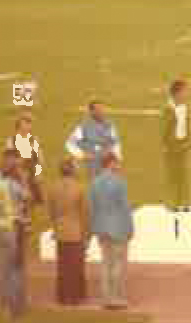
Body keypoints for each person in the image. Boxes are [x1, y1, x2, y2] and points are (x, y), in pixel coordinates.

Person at [0, 153, 31, 318]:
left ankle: (4, 304)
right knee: (16, 268)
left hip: (1, 229)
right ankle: (15, 306)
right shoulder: (14, 186)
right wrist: (24, 180)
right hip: (14, 229)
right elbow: (28, 198)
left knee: (4, 268)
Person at [90, 152, 134, 310]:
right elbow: (125, 208)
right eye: (117, 163)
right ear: (111, 163)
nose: (119, 166)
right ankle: (116, 298)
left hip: (101, 228)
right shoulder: (119, 182)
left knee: (105, 263)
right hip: (118, 228)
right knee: (118, 264)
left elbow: (92, 208)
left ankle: (106, 297)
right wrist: (130, 228)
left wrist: (95, 228)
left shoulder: (94, 183)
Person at [46, 159, 90, 305]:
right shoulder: (80, 188)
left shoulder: (53, 188)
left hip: (60, 230)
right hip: (75, 231)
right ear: (72, 171)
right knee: (75, 265)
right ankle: (75, 296)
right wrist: (86, 234)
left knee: (62, 265)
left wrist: (55, 226)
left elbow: (51, 211)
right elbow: (84, 213)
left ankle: (63, 296)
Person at [66, 101, 122, 181]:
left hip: (107, 163)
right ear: (91, 112)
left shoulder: (109, 125)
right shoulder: (84, 126)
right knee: (95, 184)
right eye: (98, 110)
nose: (101, 112)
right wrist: (82, 155)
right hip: (91, 164)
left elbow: (115, 142)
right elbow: (70, 143)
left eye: (102, 109)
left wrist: (117, 158)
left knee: (110, 184)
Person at [160, 78, 191, 210]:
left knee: (182, 175)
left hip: (182, 144)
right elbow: (164, 128)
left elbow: (185, 125)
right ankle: (171, 202)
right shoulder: (168, 108)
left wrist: (187, 140)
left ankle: (183, 202)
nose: (186, 93)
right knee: (172, 175)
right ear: (176, 92)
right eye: (184, 91)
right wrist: (166, 145)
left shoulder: (184, 107)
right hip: (171, 146)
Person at [7, 114, 44, 197]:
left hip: (32, 174)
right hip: (16, 175)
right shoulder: (11, 140)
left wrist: (38, 174)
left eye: (28, 123)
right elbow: (9, 159)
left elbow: (39, 159)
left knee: (38, 195)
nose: (27, 127)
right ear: (18, 126)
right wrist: (17, 163)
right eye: (25, 123)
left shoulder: (34, 140)